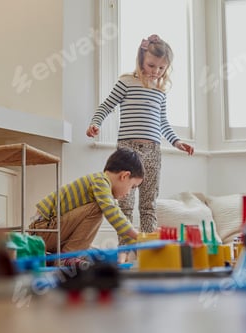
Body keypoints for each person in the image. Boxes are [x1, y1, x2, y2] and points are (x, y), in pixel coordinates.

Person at [86, 34, 194, 242]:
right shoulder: (126, 82)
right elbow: (106, 106)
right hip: (127, 150)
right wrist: (96, 123)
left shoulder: (161, 92)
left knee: (149, 203)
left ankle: (147, 249)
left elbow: (163, 122)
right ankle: (124, 249)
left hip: (153, 151)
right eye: (151, 65)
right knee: (125, 203)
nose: (156, 71)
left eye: (161, 68)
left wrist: (177, 142)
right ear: (141, 60)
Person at [29, 147, 144, 261]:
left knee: (97, 253)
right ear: (124, 176)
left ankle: (64, 258)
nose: (129, 193)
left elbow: (120, 224)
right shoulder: (100, 181)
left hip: (50, 231)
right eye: (132, 187)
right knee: (97, 209)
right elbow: (113, 213)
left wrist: (138, 248)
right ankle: (67, 258)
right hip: (44, 230)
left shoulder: (104, 189)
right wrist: (139, 236)